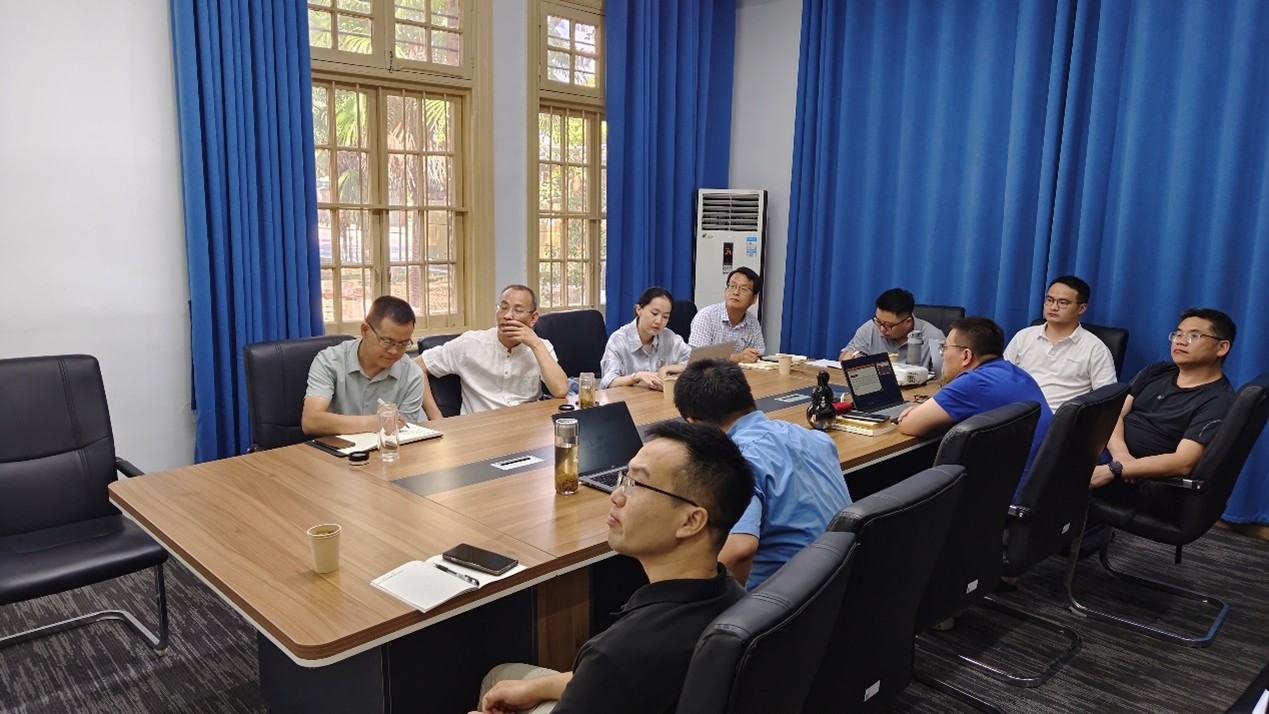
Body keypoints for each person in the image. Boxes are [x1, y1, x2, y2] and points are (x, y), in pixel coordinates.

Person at [471, 421, 755, 714]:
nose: (616, 495)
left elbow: (613, 673)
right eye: (624, 478)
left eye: (637, 484)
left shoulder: (618, 653)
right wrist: (539, 686)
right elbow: (612, 682)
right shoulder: (730, 593)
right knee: (504, 677)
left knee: (497, 679)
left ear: (690, 521)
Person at [673, 358, 852, 590]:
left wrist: (707, 603)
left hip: (787, 597)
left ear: (694, 424)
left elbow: (739, 551)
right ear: (748, 397)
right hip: (841, 578)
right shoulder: (816, 438)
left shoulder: (736, 461)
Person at [1088, 308, 1236, 519]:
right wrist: (1120, 456)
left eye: (1194, 336)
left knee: (1052, 464)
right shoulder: (1156, 371)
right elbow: (1114, 414)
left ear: (1222, 347)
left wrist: (1117, 469)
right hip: (1113, 455)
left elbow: (1183, 462)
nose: (1181, 341)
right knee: (1051, 440)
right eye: (1178, 334)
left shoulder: (1218, 400)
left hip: (1144, 481)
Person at [897, 317, 1053, 492]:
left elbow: (909, 425)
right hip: (1039, 488)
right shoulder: (1018, 373)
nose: (943, 354)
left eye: (945, 348)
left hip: (1006, 494)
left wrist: (920, 411)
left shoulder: (974, 382)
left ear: (966, 355)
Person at [417, 285, 568, 415]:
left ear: (533, 318)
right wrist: (436, 418)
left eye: (518, 310)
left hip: (526, 426)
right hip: (481, 427)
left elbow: (561, 391)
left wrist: (535, 344)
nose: (507, 316)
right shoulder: (469, 344)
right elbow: (417, 366)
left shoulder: (541, 346)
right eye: (503, 307)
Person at [302, 295, 440, 436]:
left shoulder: (412, 375)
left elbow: (403, 433)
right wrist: (375, 422)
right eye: (387, 341)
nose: (394, 351)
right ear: (364, 330)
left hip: (386, 448)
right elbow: (311, 421)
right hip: (336, 447)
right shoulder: (329, 361)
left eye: (403, 344)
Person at [1004, 275, 1118, 411]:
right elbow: (1002, 376)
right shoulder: (1023, 336)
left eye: (1063, 303)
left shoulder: (1095, 348)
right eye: (1050, 300)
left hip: (1060, 418)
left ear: (1082, 308)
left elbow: (1108, 399)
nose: (1053, 307)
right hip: (1016, 412)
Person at [600, 287, 691, 390]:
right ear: (639, 310)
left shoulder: (669, 337)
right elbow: (609, 381)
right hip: (628, 399)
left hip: (659, 398)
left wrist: (667, 369)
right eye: (654, 313)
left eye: (665, 317)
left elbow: (695, 362)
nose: (659, 321)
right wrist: (636, 377)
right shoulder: (619, 339)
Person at [839, 288, 945, 371]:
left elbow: (944, 378)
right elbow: (845, 354)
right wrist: (847, 358)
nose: (881, 329)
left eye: (888, 325)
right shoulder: (869, 329)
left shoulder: (934, 337)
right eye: (878, 321)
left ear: (908, 322)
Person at [688, 267, 766, 363]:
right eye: (732, 286)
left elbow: (759, 354)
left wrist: (752, 356)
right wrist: (738, 358)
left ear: (754, 299)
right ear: (725, 291)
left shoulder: (752, 323)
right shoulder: (706, 316)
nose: (736, 292)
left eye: (743, 289)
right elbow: (698, 358)